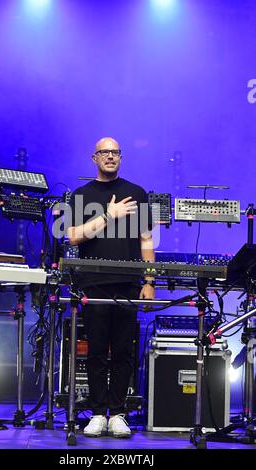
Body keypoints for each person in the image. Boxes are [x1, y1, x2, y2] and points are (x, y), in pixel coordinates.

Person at [67, 137, 155, 437]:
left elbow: (146, 241)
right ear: (94, 158)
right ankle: (97, 413)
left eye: (115, 152)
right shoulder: (81, 195)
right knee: (95, 352)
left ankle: (117, 413)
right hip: (93, 282)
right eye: (104, 152)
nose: (110, 157)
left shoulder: (137, 194)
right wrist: (108, 215)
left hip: (128, 283)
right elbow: (74, 237)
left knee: (122, 352)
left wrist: (149, 281)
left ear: (121, 157)